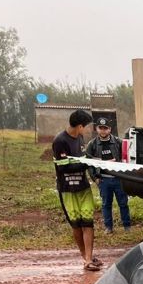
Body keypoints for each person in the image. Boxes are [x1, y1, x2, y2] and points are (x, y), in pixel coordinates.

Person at [52, 109, 101, 271]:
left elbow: (83, 159)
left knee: (88, 223)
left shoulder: (80, 139)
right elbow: (64, 167)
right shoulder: (59, 141)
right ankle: (85, 257)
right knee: (76, 225)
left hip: (83, 187)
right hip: (67, 190)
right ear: (80, 126)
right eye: (86, 127)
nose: (87, 130)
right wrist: (88, 163)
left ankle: (89, 258)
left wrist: (96, 163)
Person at [85, 116, 132, 234]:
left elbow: (126, 158)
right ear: (96, 129)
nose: (103, 130)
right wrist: (95, 178)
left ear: (110, 129)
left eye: (105, 128)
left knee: (123, 203)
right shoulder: (92, 144)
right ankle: (108, 227)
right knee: (106, 204)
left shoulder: (118, 142)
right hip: (103, 180)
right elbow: (89, 163)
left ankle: (127, 226)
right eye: (100, 128)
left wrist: (125, 175)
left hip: (118, 179)